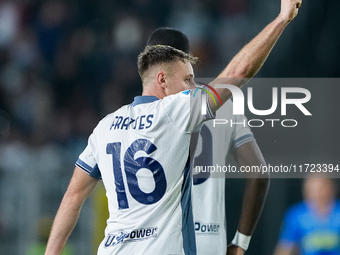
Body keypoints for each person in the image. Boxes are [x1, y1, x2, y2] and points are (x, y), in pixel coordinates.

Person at [44, 0, 302, 254]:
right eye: (188, 79)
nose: (194, 87)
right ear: (163, 79)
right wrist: (281, 20)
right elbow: (239, 72)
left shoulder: (105, 126)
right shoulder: (176, 112)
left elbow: (73, 196)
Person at [146, 27, 269, 255]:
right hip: (209, 243)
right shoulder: (225, 107)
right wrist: (240, 242)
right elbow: (259, 173)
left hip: (158, 243)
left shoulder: (142, 114)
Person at [274, 174, 340, 255]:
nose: (317, 194)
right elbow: (285, 247)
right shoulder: (296, 215)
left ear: (331, 188)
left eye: (320, 189)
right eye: (312, 190)